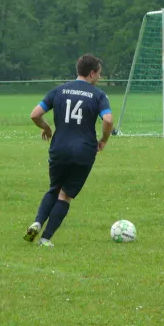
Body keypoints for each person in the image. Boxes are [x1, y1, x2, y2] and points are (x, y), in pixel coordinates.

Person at [23, 54, 113, 247]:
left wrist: (46, 128)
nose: (99, 78)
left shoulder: (59, 90)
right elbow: (108, 120)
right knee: (65, 195)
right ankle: (45, 239)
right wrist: (104, 139)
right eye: (99, 74)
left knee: (54, 188)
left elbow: (35, 115)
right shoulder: (98, 95)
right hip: (83, 151)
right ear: (92, 73)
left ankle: (37, 222)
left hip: (59, 148)